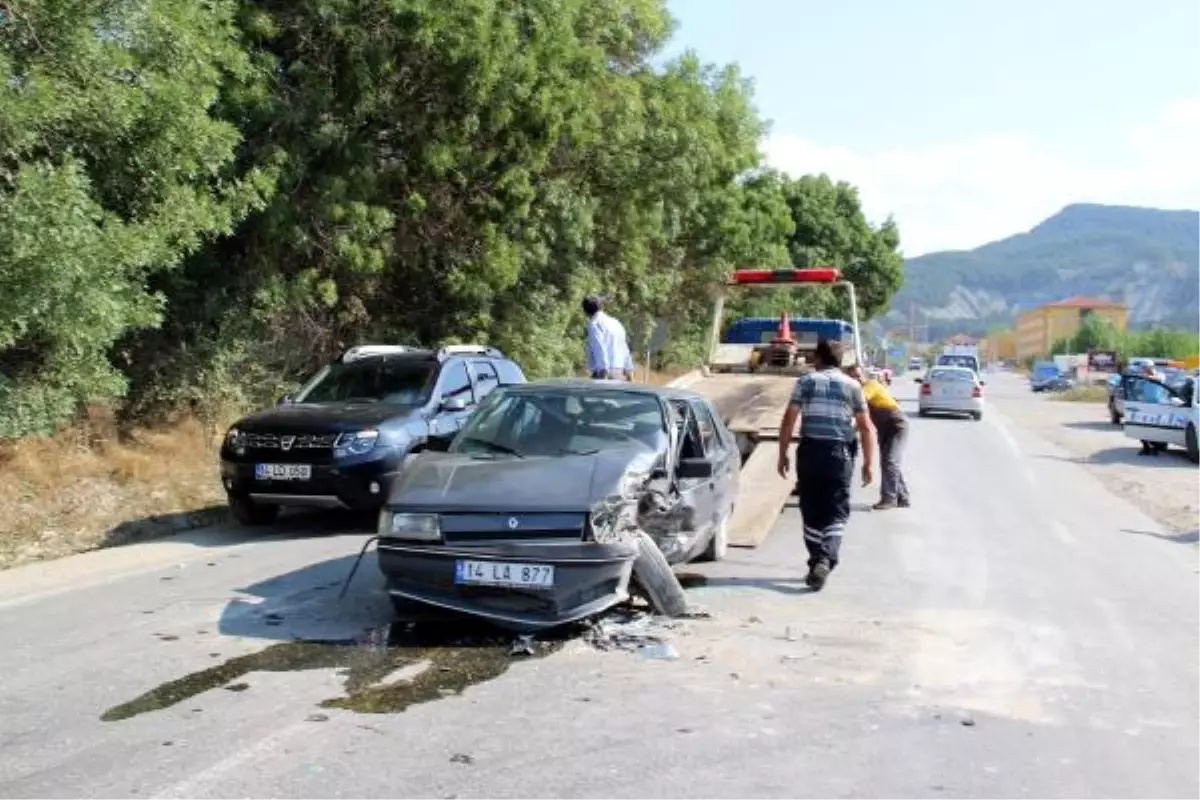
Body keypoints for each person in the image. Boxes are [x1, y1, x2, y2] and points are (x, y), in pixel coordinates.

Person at [776, 339, 876, 591]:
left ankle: (817, 560)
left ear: (818, 358)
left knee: (811, 508)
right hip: (839, 454)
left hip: (810, 451)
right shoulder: (854, 386)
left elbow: (789, 418)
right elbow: (865, 427)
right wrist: (869, 464)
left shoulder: (806, 382)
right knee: (836, 509)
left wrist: (782, 453)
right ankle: (825, 558)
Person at [846, 364, 910, 509]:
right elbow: (861, 419)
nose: (855, 379)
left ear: (863, 375)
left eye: (857, 375)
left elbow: (859, 402)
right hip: (884, 428)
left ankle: (889, 499)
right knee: (889, 462)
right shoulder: (860, 391)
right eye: (851, 377)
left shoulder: (871, 385)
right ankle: (902, 497)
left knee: (890, 460)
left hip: (896, 426)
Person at [582, 295, 635, 380]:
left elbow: (599, 347)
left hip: (605, 373)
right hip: (620, 372)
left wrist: (603, 372)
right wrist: (629, 370)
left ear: (586, 312)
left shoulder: (594, 324)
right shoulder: (615, 323)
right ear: (601, 307)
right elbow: (624, 348)